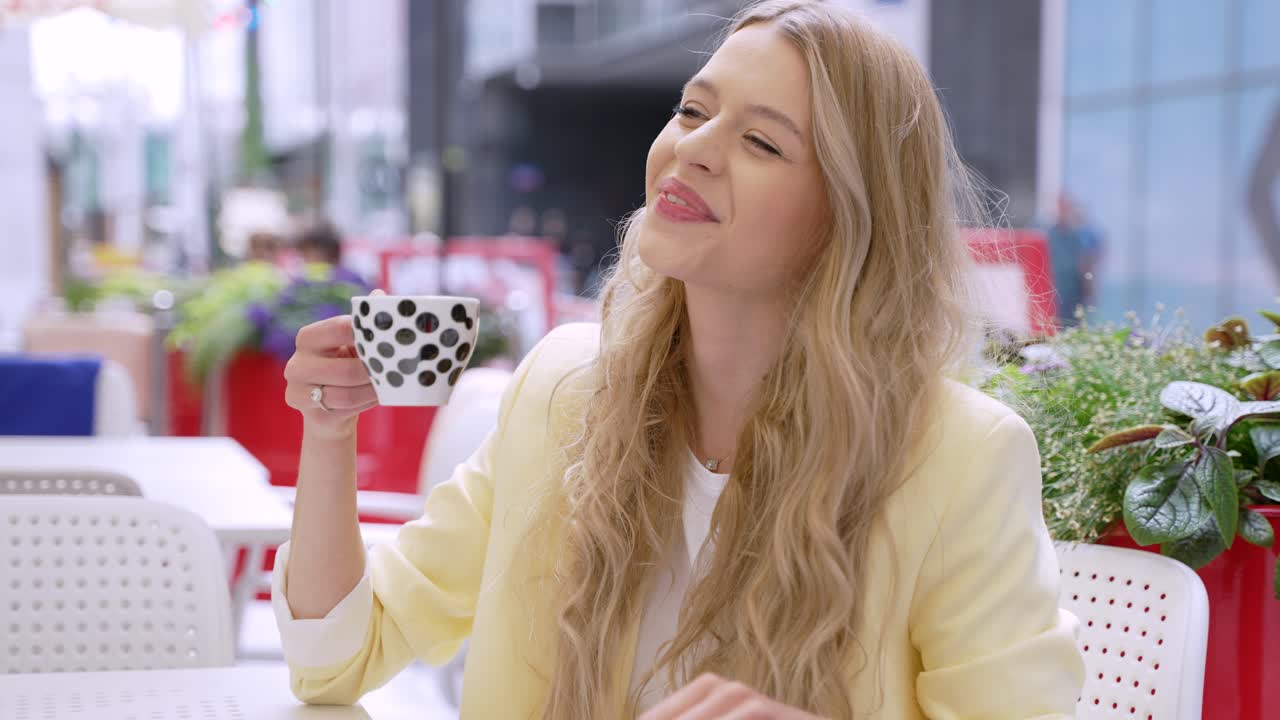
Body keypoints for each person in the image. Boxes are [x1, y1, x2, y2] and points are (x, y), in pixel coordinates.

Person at [274, 2, 1084, 718]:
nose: (693, 149)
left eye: (761, 141)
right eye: (693, 111)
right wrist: (328, 432)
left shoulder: (960, 457)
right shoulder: (564, 389)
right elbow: (334, 661)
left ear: (848, 220)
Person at [1045, 193, 1104, 326]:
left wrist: (1090, 289)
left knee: (1073, 325)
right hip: (1054, 295)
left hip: (1074, 295)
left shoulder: (1079, 235)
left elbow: (1088, 263)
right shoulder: (1048, 234)